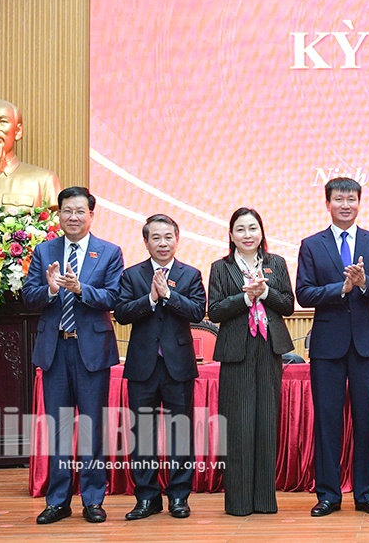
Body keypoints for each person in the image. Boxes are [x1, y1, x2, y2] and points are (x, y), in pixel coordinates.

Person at [295, 177, 369, 517]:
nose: (346, 205)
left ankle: (367, 495)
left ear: (359, 202)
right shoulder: (311, 245)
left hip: (367, 344)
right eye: (339, 199)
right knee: (328, 422)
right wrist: (341, 288)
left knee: (367, 421)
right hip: (327, 346)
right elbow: (304, 294)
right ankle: (328, 495)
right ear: (328, 204)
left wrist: (364, 283)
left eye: (351, 199)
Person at [23, 186, 123, 525]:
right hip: (55, 349)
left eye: (80, 211)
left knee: (92, 428)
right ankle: (58, 501)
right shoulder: (44, 251)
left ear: (91, 215)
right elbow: (29, 297)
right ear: (59, 214)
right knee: (59, 429)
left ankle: (93, 500)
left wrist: (81, 289)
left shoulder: (109, 252)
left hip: (91, 351)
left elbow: (114, 298)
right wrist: (51, 289)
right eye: (67, 210)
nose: (73, 217)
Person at [114, 214, 206, 520]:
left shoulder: (190, 274)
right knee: (142, 434)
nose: (162, 243)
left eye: (168, 237)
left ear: (177, 239)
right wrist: (151, 299)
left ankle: (179, 497)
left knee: (180, 433)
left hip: (178, 366)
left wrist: (169, 295)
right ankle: (147, 498)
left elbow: (197, 311)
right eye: (156, 237)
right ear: (146, 241)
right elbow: (122, 313)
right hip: (143, 366)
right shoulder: (132, 275)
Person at [208, 207, 295, 516]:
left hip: (269, 349)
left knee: (266, 424)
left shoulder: (276, 263)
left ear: (261, 232)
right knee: (239, 427)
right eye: (241, 229)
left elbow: (288, 305)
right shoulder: (221, 267)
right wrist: (246, 298)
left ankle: (264, 500)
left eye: (253, 228)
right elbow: (214, 311)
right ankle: (239, 502)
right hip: (236, 352)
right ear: (232, 235)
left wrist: (266, 292)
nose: (248, 235)